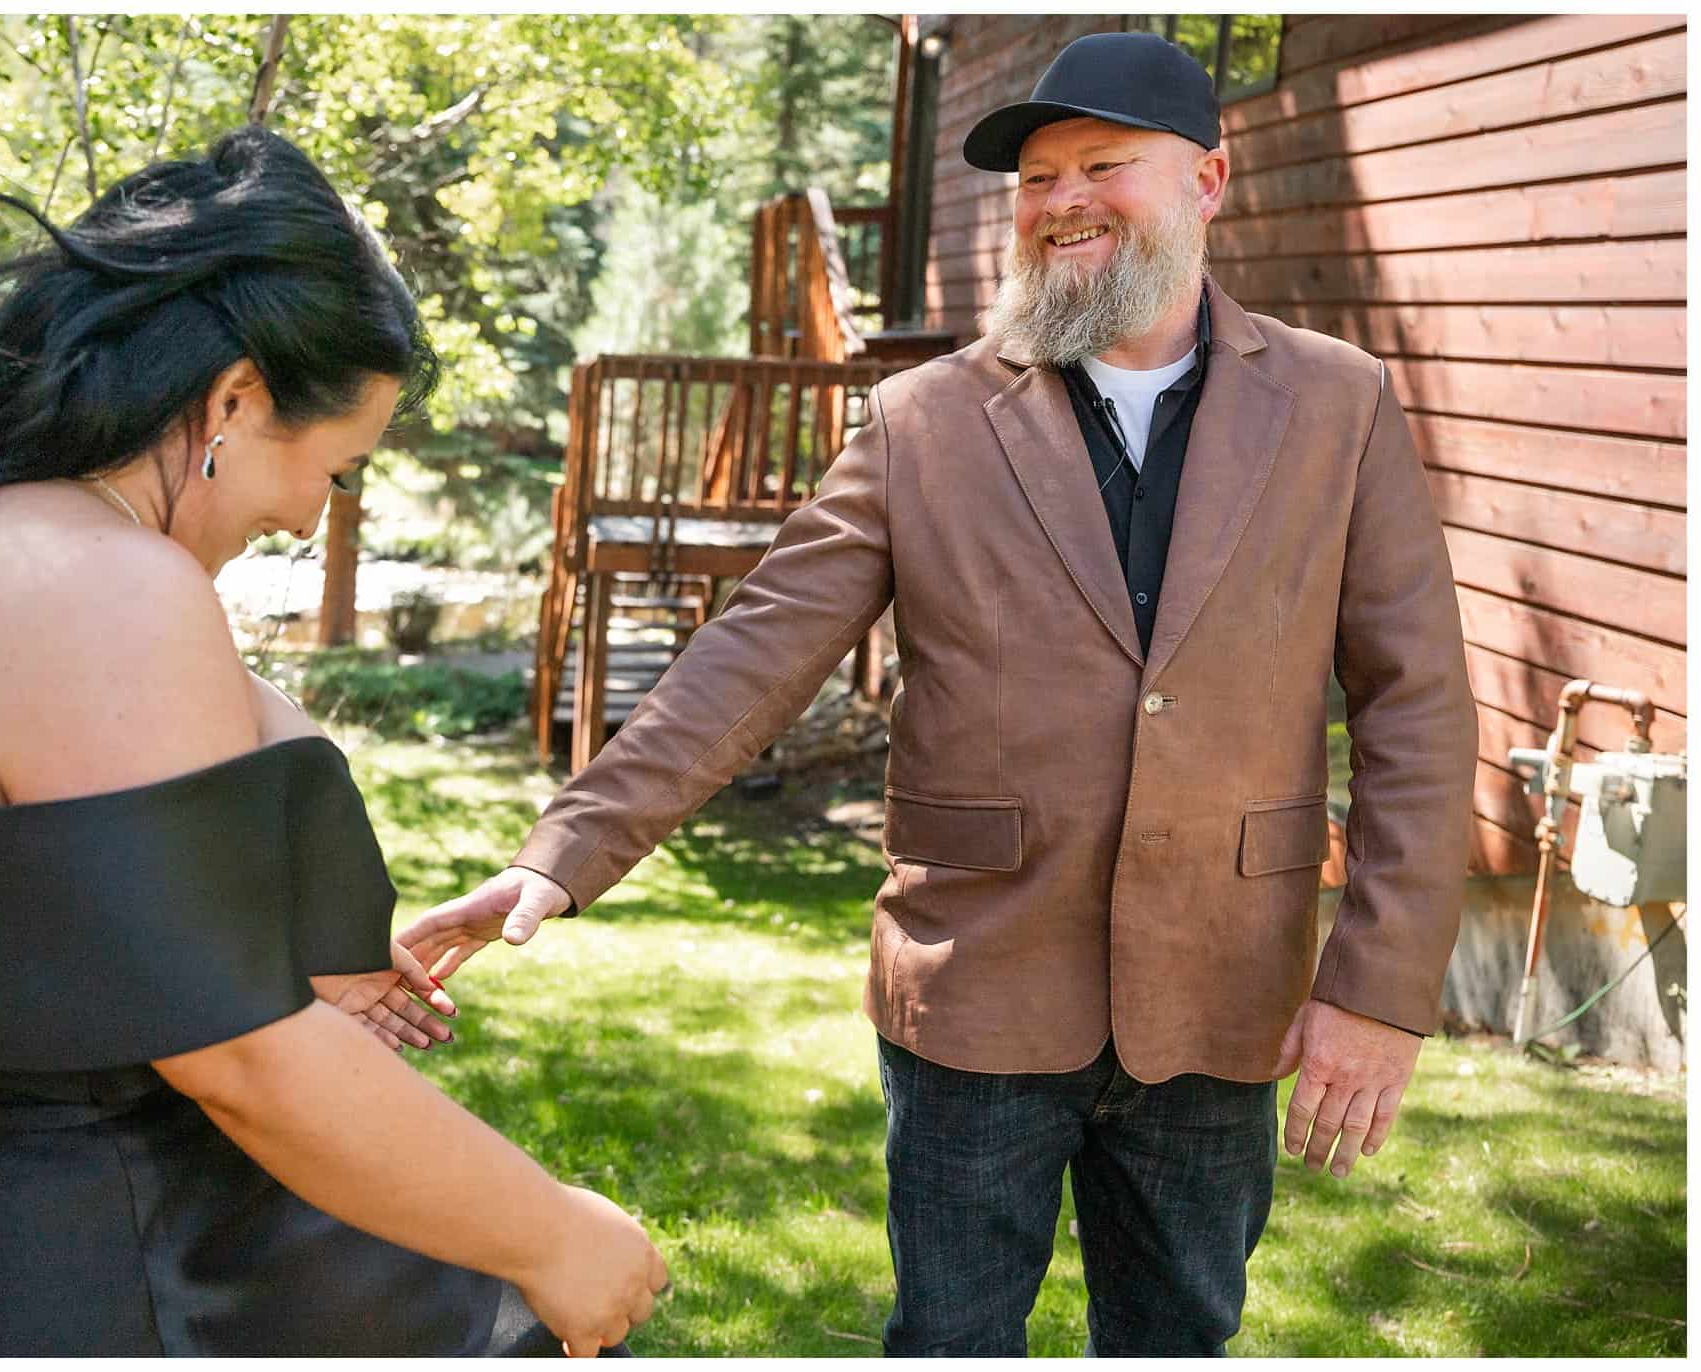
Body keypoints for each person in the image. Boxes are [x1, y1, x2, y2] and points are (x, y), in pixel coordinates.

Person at [400, 31, 1477, 1358]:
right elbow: (753, 653)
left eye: (1101, 166)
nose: (1060, 199)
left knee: (1180, 1337)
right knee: (949, 1338)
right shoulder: (924, 420)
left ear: (1207, 182)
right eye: (1032, 178)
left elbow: (1418, 709)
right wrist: (561, 861)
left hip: (1224, 985)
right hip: (975, 993)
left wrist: (1374, 988)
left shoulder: (1340, 405)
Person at [0, 126, 665, 1356]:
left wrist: (270, 940)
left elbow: (42, 937)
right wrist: (552, 1235)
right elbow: (241, 1058)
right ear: (236, 397)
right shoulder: (105, 588)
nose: (312, 514)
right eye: (338, 468)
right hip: (91, 1262)